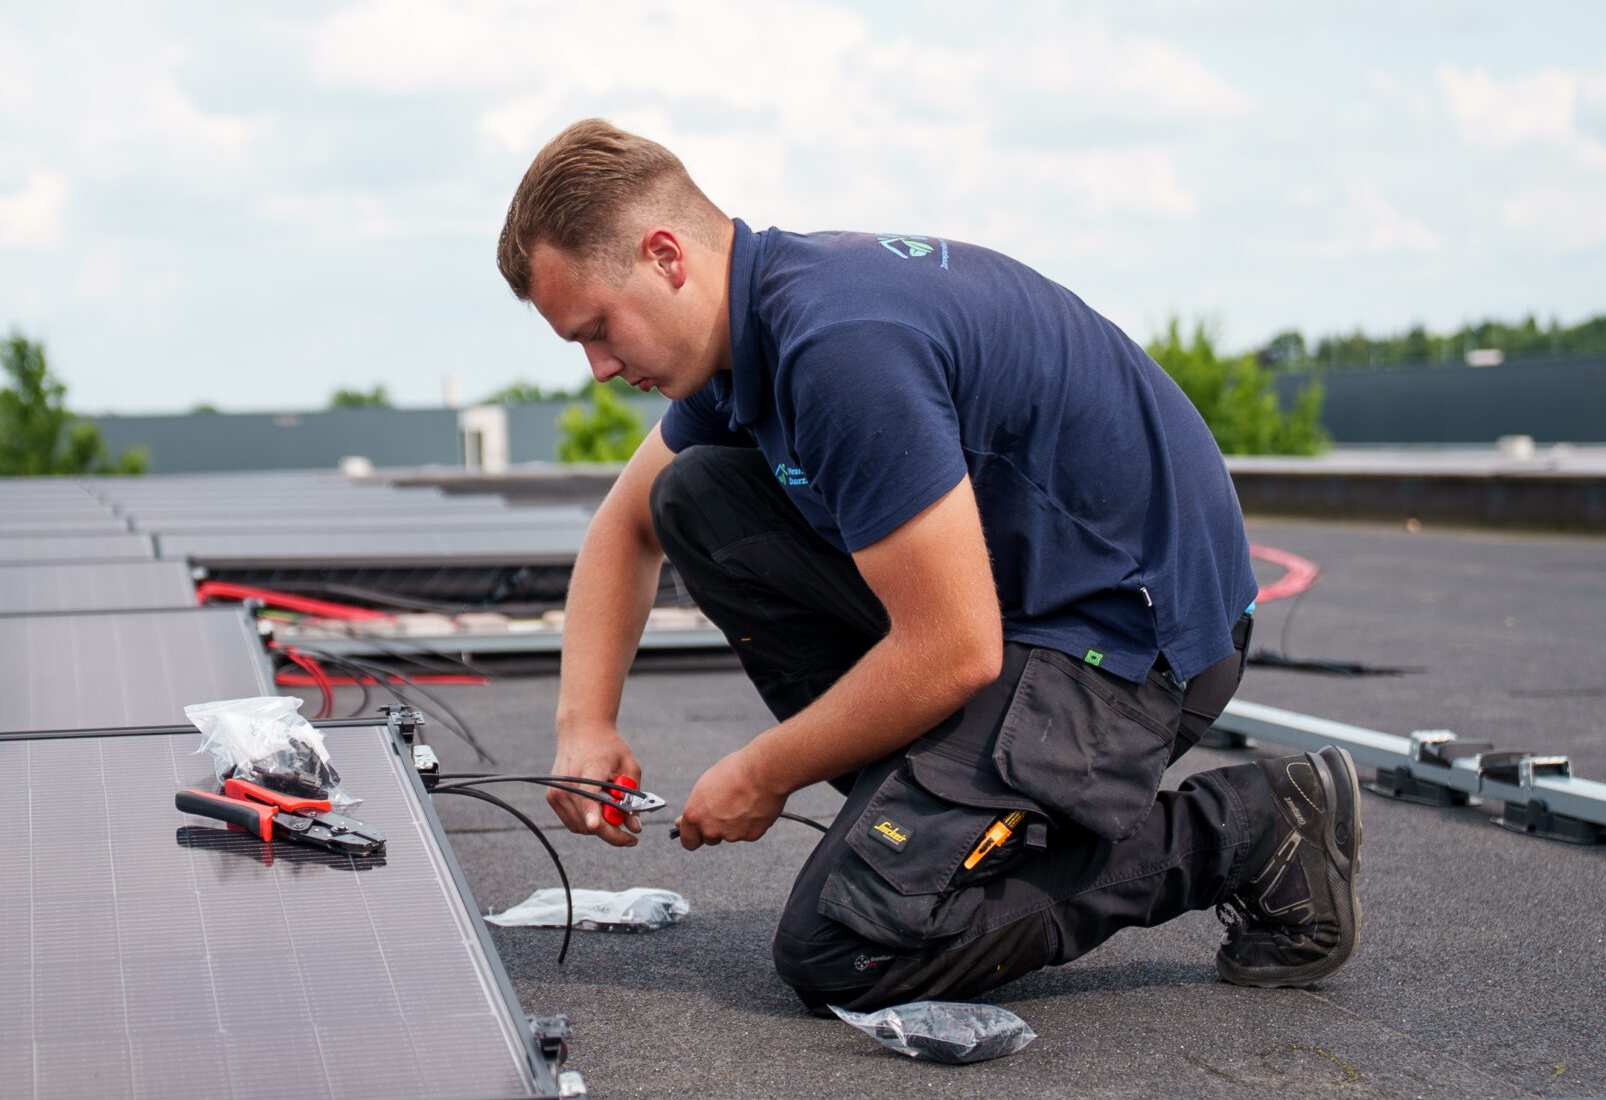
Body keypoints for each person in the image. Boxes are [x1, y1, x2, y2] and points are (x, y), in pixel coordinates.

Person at [496, 119, 1361, 1015]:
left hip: (1135, 649)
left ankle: (1252, 830)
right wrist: (583, 726)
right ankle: (933, 815)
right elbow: (624, 527)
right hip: (1027, 616)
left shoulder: (839, 347)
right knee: (696, 496)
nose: (600, 368)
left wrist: (764, 771)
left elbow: (954, 651)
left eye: (599, 328)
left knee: (842, 951)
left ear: (666, 256)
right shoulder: (746, 325)